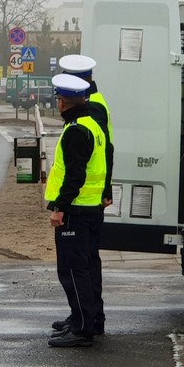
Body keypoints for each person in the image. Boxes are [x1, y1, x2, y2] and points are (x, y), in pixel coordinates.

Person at [51, 54, 114, 337]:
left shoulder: (79, 128)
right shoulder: (89, 120)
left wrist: (60, 207)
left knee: (75, 270)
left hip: (77, 209)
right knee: (86, 266)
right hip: (88, 207)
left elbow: (75, 173)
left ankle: (83, 326)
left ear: (63, 102)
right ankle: (86, 318)